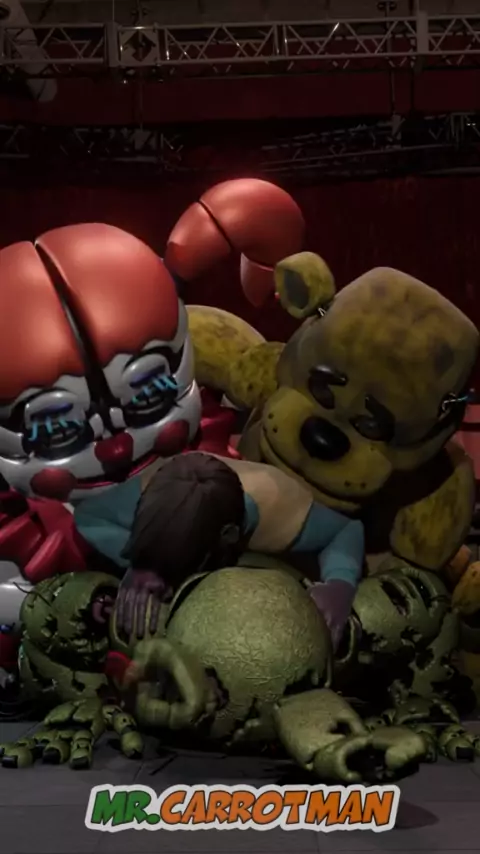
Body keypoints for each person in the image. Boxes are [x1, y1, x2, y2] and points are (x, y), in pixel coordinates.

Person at [74, 452, 365, 651]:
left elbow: (345, 530)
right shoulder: (145, 493)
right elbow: (88, 516)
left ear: (229, 536)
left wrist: (339, 583)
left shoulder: (279, 506)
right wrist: (141, 564)